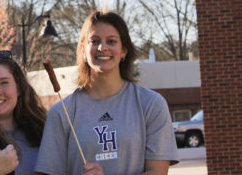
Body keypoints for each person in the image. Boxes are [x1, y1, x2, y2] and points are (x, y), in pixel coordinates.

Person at [34, 10, 178, 175]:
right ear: (83, 50)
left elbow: (158, 172)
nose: (102, 48)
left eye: (111, 41)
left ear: (124, 50)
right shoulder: (61, 113)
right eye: (94, 41)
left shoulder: (151, 104)